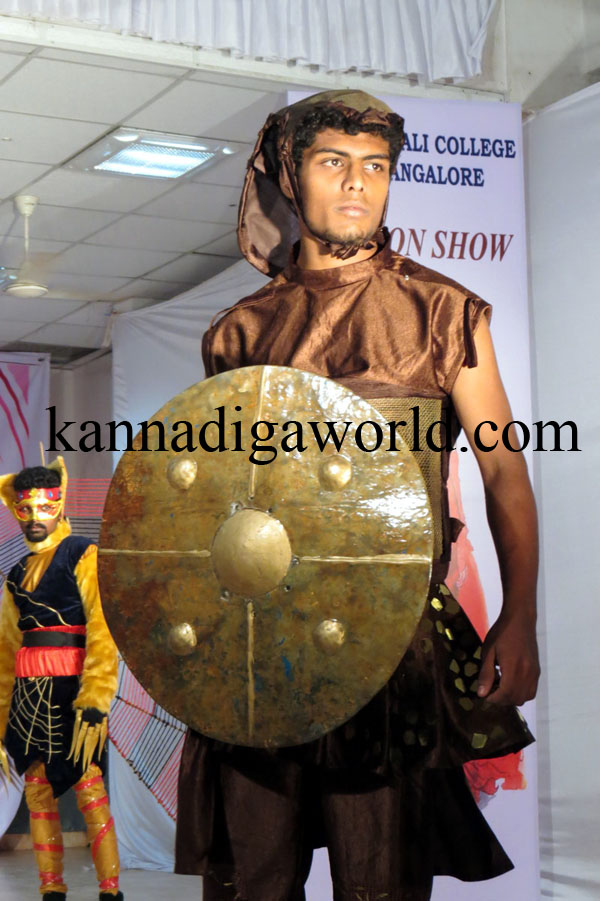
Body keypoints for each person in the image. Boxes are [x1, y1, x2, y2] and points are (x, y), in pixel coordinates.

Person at [175, 90, 539, 901]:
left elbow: (504, 472)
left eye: (376, 166)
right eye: (333, 162)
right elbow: (211, 504)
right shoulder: (237, 333)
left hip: (390, 645)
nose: (356, 183)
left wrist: (520, 614)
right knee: (254, 880)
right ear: (290, 175)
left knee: (380, 877)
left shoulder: (443, 313)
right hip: (259, 644)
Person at [0, 458, 123, 901]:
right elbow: (6, 651)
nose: (35, 517)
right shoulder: (16, 575)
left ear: (60, 504)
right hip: (27, 698)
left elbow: (102, 628)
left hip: (73, 695)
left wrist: (95, 698)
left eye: (45, 506)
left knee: (90, 790)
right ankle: (51, 889)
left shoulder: (82, 554)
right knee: (37, 793)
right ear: (15, 510)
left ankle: (110, 891)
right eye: (25, 508)